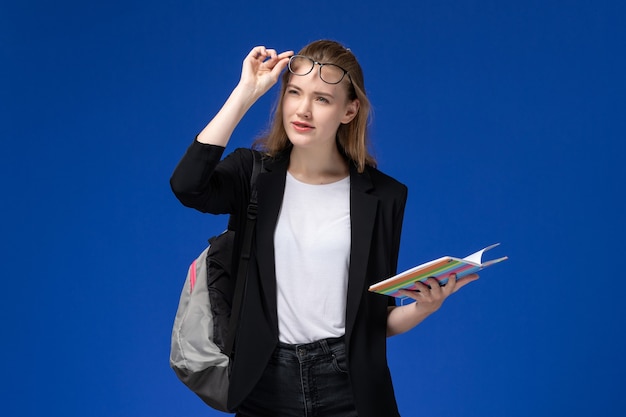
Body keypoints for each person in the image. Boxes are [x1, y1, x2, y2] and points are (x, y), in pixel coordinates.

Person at [170, 39, 478, 417]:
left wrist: (424, 308)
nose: (303, 109)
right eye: (295, 93)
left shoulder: (383, 196)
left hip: (349, 385)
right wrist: (245, 94)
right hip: (264, 381)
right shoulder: (251, 175)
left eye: (322, 99)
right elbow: (187, 185)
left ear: (349, 110)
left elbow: (372, 322)